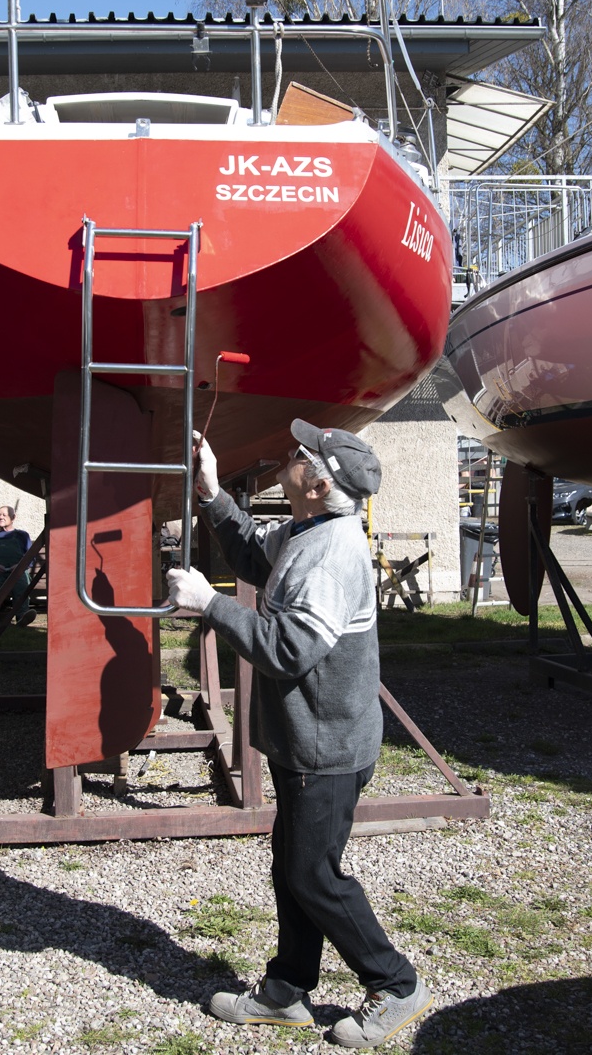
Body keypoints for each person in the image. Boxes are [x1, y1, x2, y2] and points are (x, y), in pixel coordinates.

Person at [166, 422, 430, 1050]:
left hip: (326, 749)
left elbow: (288, 650)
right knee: (293, 868)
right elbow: (253, 554)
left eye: (302, 454)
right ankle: (286, 991)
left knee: (312, 874)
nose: (289, 454)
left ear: (317, 484)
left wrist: (210, 604)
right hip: (306, 741)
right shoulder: (306, 529)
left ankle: (395, 984)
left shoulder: (331, 556)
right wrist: (211, 493)